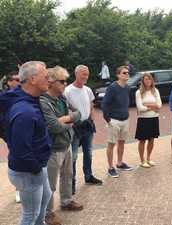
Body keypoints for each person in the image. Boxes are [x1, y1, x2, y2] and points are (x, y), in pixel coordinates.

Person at [0, 61, 52, 225]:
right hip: (28, 170)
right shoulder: (25, 111)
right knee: (30, 214)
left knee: (46, 196)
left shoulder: (25, 96)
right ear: (33, 79)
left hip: (36, 165)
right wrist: (35, 168)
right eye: (46, 76)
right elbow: (20, 151)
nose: (49, 80)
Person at [40, 66, 83, 225]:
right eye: (62, 81)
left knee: (68, 175)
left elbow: (79, 113)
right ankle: (47, 213)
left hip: (66, 144)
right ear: (51, 82)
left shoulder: (62, 98)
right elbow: (54, 127)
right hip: (53, 148)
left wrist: (65, 119)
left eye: (66, 81)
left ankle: (66, 201)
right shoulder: (43, 101)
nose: (66, 84)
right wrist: (70, 121)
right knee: (50, 183)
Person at [64, 65, 102, 195]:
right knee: (73, 156)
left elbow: (91, 103)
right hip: (75, 126)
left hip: (87, 125)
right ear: (76, 74)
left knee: (89, 152)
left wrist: (91, 117)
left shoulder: (87, 89)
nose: (85, 77)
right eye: (83, 74)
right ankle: (72, 184)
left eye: (87, 74)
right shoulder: (68, 90)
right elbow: (65, 107)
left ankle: (88, 176)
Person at [102, 65, 133, 178]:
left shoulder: (127, 87)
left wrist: (127, 114)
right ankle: (110, 168)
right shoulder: (112, 87)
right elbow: (104, 104)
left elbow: (127, 102)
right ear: (118, 75)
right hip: (114, 120)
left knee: (122, 142)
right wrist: (108, 119)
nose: (127, 74)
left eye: (127, 73)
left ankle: (120, 163)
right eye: (124, 73)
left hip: (125, 119)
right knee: (111, 144)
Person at [1, 71, 22, 203]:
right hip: (12, 135)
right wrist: (5, 133)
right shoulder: (4, 97)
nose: (18, 82)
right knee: (16, 159)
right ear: (9, 82)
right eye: (15, 79)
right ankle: (18, 189)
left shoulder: (24, 95)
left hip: (26, 132)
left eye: (20, 79)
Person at [135, 73, 162, 168]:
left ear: (152, 81)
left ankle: (148, 158)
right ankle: (142, 160)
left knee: (151, 139)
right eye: (146, 79)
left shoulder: (155, 91)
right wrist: (153, 106)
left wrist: (147, 105)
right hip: (143, 119)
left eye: (149, 79)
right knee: (142, 140)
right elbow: (140, 108)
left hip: (154, 118)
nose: (148, 81)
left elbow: (159, 105)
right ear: (143, 81)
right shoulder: (139, 92)